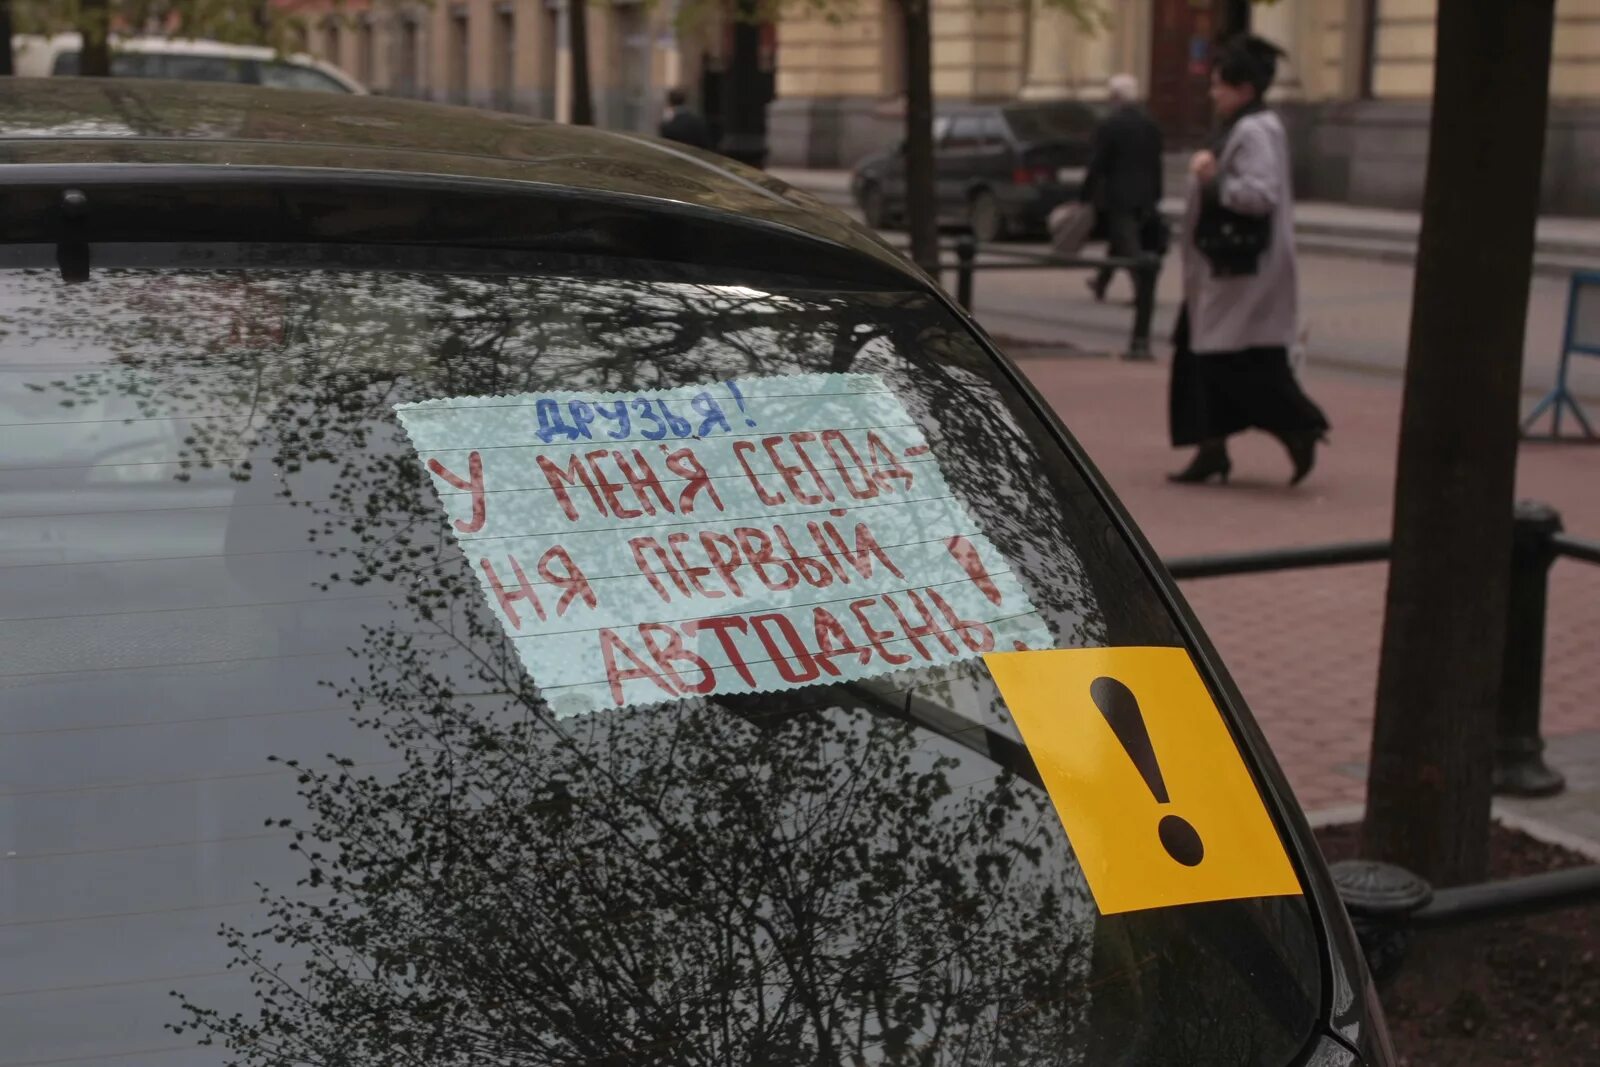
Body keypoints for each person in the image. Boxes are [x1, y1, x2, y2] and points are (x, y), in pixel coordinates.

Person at [1168, 35, 1329, 486]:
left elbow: (1258, 195)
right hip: (1224, 270)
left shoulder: (1254, 130)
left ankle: (1298, 427)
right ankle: (1211, 448)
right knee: (1196, 353)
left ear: (1244, 89)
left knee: (1230, 362)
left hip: (1240, 271)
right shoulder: (1245, 125)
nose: (1212, 93)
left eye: (1219, 85)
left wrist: (1211, 177)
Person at [1081, 73, 1165, 302]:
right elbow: (1157, 161)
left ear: (1116, 97)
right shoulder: (1151, 123)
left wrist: (1085, 193)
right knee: (1119, 241)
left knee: (1128, 244)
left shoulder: (1110, 124)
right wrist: (1158, 192)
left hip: (1119, 194)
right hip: (1146, 193)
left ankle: (1143, 291)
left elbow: (1098, 162)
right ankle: (1101, 281)